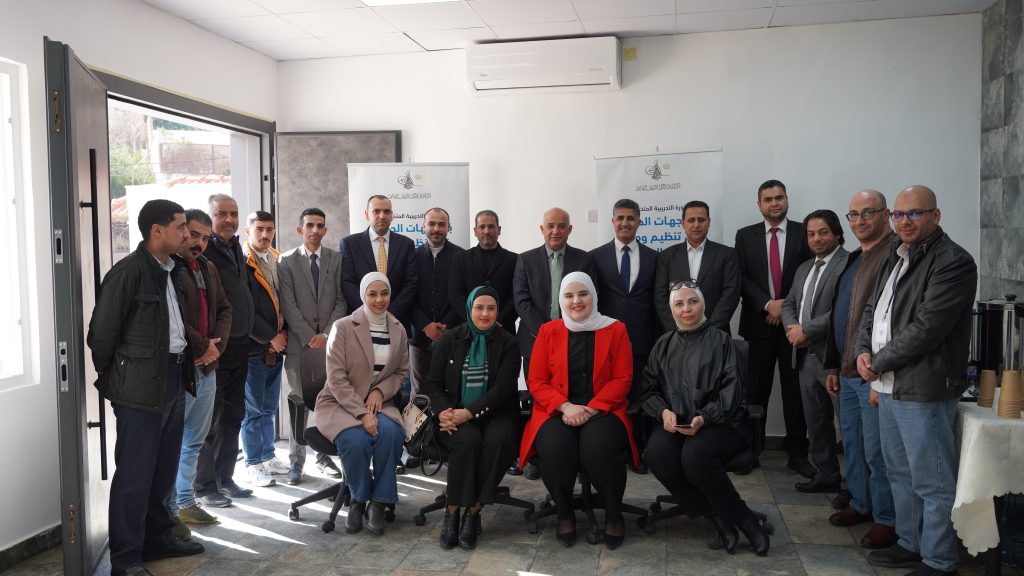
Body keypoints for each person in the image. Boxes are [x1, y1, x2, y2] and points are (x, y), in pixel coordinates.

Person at [857, 186, 976, 576]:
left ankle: (939, 561)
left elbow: (928, 328)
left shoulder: (953, 261)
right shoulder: (896, 253)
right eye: (899, 214)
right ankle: (910, 542)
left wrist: (877, 363)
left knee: (932, 479)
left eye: (915, 214)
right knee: (899, 472)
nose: (904, 221)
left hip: (924, 387)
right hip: (889, 383)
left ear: (935, 216)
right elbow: (873, 309)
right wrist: (863, 351)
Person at [87, 199, 203, 575]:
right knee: (135, 475)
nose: (186, 233)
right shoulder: (128, 273)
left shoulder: (172, 270)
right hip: (139, 387)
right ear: (157, 230)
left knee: (163, 469)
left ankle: (157, 538)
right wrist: (117, 378)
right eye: (180, 226)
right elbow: (100, 336)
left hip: (173, 378)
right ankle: (125, 559)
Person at [640, 282, 770, 556]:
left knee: (694, 456)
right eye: (679, 304)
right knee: (656, 454)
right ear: (671, 310)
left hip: (721, 422)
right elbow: (647, 390)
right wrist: (663, 411)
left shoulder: (721, 341)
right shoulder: (663, 345)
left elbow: (732, 393)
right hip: (677, 423)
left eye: (692, 301)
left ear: (703, 304)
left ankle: (745, 521)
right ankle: (715, 516)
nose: (686, 309)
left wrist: (704, 417)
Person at [518, 272, 638, 550]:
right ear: (561, 300)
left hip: (604, 409)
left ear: (593, 296)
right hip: (557, 409)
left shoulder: (616, 329)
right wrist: (566, 406)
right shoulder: (548, 331)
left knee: (598, 447)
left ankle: (613, 515)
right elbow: (537, 380)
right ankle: (564, 513)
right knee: (555, 447)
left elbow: (623, 379)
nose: (576, 301)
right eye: (569, 295)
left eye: (583, 294)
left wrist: (592, 408)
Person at [822, 190, 897, 549]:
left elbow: (889, 321)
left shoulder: (895, 255)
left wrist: (879, 373)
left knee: (877, 451)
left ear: (886, 214)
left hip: (873, 373)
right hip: (848, 370)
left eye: (868, 213)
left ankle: (885, 517)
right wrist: (833, 365)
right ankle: (860, 501)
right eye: (853, 214)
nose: (860, 220)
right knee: (853, 444)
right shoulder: (855, 258)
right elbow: (842, 315)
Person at [422, 286, 521, 550]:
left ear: (497, 311)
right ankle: (452, 510)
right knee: (467, 441)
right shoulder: (450, 339)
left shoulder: (509, 343)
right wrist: (444, 412)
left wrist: (468, 413)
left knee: (499, 441)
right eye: (479, 308)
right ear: (469, 309)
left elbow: (503, 389)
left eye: (491, 308)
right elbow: (432, 384)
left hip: (497, 413)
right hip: (453, 412)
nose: (485, 314)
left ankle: (473, 511)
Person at [316, 272, 408, 536]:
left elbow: (401, 372)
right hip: (340, 401)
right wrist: (360, 412)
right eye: (372, 294)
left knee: (391, 433)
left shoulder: (399, 329)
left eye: (384, 293)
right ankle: (358, 498)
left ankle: (379, 502)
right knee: (355, 439)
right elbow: (336, 378)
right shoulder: (343, 327)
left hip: (379, 402)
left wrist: (380, 390)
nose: (379, 300)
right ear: (362, 295)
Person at [733, 180, 814, 476]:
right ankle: (751, 451)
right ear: (760, 205)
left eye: (779, 197)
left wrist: (784, 308)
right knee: (755, 392)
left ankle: (797, 454)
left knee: (795, 392)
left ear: (787, 200)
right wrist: (768, 305)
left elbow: (810, 276)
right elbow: (740, 277)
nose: (774, 203)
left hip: (796, 326)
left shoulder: (804, 232)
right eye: (768, 199)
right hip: (758, 324)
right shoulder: (745, 235)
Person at [170, 210, 232, 535]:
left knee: (194, 440)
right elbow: (175, 319)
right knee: (173, 441)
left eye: (206, 238)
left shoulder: (208, 267)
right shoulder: (169, 270)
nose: (199, 243)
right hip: (183, 368)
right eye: (194, 235)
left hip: (209, 366)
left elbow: (224, 308)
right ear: (182, 231)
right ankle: (170, 510)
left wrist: (214, 348)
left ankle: (185, 502)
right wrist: (202, 345)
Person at [781, 210, 849, 494]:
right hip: (803, 358)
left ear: (837, 233)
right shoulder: (804, 268)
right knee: (817, 423)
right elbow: (789, 303)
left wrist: (807, 330)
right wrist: (792, 329)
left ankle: (855, 487)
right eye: (811, 234)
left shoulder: (849, 264)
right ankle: (827, 475)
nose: (817, 239)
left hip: (833, 359)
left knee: (848, 426)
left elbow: (845, 310)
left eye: (823, 232)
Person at [588, 198, 658, 474]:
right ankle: (613, 449)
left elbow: (656, 300)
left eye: (630, 218)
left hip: (643, 340)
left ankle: (639, 452)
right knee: (610, 397)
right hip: (607, 341)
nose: (625, 223)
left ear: (639, 222)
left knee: (641, 397)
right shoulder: (595, 257)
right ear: (613, 221)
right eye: (620, 218)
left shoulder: (654, 257)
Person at [279, 208, 347, 485]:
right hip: (300, 346)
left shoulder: (337, 259)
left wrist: (327, 334)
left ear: (325, 230)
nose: (315, 230)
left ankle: (324, 456)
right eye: (310, 225)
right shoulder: (286, 261)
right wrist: (310, 336)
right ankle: (296, 462)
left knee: (328, 402)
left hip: (331, 346)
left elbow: (342, 300)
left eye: (320, 226)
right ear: (300, 229)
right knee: (299, 402)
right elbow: (288, 304)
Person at [196, 194, 255, 507]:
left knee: (233, 416)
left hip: (241, 345)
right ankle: (204, 486)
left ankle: (225, 478)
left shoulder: (235, 247)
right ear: (210, 217)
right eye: (221, 214)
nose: (229, 219)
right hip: (215, 349)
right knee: (210, 419)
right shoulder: (204, 251)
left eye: (234, 213)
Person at [513, 207, 593, 380]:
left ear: (569, 229)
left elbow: (590, 298)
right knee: (537, 392)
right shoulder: (525, 260)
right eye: (550, 226)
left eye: (561, 226)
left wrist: (566, 330)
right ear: (542, 229)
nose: (555, 231)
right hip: (534, 339)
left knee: (570, 392)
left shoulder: (584, 259)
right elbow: (521, 300)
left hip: (574, 340)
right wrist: (545, 332)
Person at [241, 211, 289, 487]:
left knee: (270, 407)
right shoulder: (243, 262)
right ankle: (252, 462)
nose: (264, 234)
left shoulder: (276, 258)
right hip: (254, 348)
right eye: (259, 229)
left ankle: (268, 455)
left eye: (269, 229)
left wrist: (283, 334)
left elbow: (285, 302)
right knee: (253, 410)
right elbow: (245, 310)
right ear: (248, 230)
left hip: (277, 348)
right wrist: (271, 336)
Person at [654, 200, 741, 334]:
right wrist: (677, 330)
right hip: (677, 335)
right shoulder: (667, 256)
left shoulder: (727, 254)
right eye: (691, 220)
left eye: (701, 220)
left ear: (709, 222)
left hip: (716, 334)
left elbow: (731, 294)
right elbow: (660, 297)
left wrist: (710, 331)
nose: (696, 225)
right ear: (683, 223)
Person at [339, 195, 418, 330]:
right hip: (361, 322)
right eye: (376, 211)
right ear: (366, 214)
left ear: (392, 215)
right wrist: (369, 312)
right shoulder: (349, 244)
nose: (382, 216)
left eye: (386, 211)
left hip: (397, 321)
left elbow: (411, 283)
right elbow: (347, 282)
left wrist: (389, 314)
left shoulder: (406, 244)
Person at [410, 207, 464, 393]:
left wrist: (445, 326)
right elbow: (409, 295)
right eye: (431, 224)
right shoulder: (412, 257)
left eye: (441, 224)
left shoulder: (461, 256)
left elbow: (462, 295)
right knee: (420, 391)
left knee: (452, 388)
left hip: (453, 336)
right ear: (423, 226)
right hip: (419, 338)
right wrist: (425, 325)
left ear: (448, 227)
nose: (436, 229)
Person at [448, 210, 518, 336]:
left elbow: (516, 295)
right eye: (482, 227)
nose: (486, 231)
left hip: (503, 330)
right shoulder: (461, 258)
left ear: (499, 230)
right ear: (475, 231)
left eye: (491, 226)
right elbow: (455, 293)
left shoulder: (514, 259)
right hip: (469, 330)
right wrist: (474, 318)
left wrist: (498, 320)